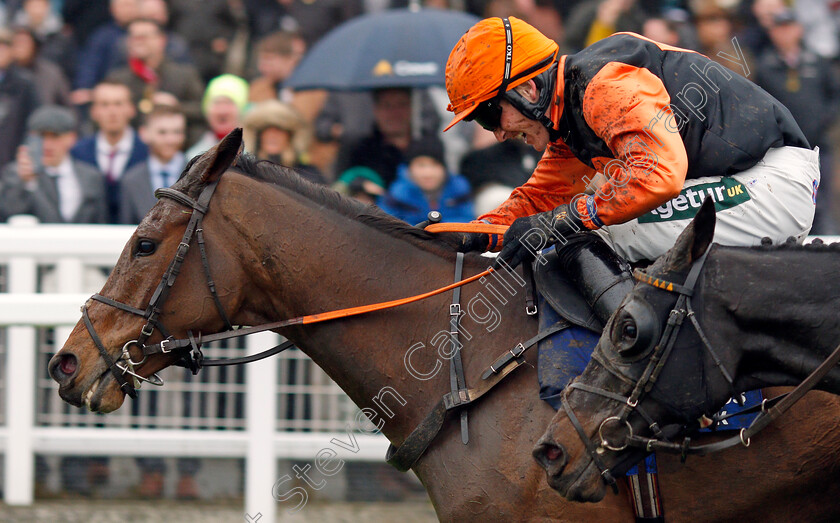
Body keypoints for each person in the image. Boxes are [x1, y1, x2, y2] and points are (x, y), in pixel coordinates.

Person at [445, 16, 818, 328]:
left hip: (770, 183)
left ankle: (638, 357)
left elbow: (657, 176)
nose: (497, 133)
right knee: (580, 224)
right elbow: (540, 199)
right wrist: (470, 235)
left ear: (527, 90)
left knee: (599, 230)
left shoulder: (604, 86)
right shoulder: (569, 110)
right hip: (748, 182)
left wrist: (566, 219)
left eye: (489, 115)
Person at [755, 9, 840, 234]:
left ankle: (826, 242)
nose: (785, 34)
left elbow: (834, 95)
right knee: (789, 199)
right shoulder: (765, 66)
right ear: (772, 32)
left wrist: (824, 120)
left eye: (789, 27)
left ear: (799, 30)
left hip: (820, 143)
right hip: (786, 148)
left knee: (822, 199)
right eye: (779, 28)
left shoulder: (818, 63)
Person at [105, 18, 205, 144]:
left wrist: (177, 107)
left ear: (161, 40)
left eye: (143, 37)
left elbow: (203, 110)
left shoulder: (184, 75)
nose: (137, 42)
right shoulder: (118, 79)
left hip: (179, 148)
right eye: (133, 37)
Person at [0, 105, 107, 223]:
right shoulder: (16, 174)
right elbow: (9, 214)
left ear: (71, 138)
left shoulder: (91, 177)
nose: (47, 145)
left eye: (55, 136)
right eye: (41, 136)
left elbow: (101, 221)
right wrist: (25, 182)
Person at [71, 80, 149, 223]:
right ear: (93, 111)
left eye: (118, 104)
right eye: (105, 105)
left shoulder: (147, 151)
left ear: (131, 109)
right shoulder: (78, 153)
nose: (112, 112)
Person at [378, 135, 474, 225]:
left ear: (444, 167)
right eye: (421, 165)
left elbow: (467, 219)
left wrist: (441, 230)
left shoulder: (459, 189)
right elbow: (388, 226)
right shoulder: (397, 195)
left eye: (434, 164)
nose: (428, 173)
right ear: (409, 169)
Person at [120, 104, 187, 224]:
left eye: (177, 132)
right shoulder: (131, 180)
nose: (170, 140)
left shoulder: (200, 175)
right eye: (162, 132)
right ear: (144, 133)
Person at [241, 99, 325, 184]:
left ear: (290, 136)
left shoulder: (309, 175)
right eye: (266, 130)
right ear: (258, 137)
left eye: (279, 130)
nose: (272, 135)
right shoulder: (246, 174)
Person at [186, 73, 249, 159]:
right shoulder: (192, 152)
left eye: (228, 103)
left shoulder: (255, 151)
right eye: (217, 103)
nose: (222, 111)